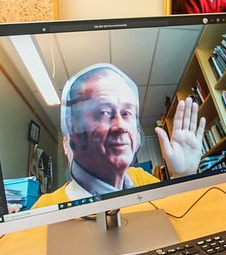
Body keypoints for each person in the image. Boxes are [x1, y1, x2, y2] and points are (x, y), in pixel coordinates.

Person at [32, 63, 205, 208]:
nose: (121, 126)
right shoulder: (46, 207)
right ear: (68, 143)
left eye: (127, 113)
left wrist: (184, 176)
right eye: (104, 112)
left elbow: (179, 217)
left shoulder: (140, 179)